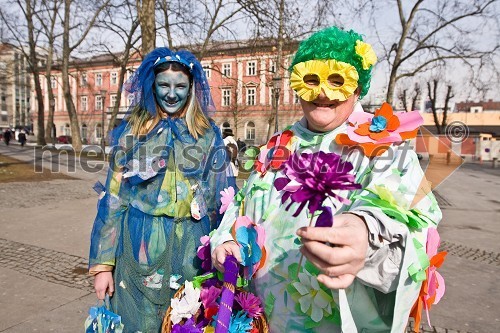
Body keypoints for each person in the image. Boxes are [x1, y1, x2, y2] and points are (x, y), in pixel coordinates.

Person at [210, 26, 442, 332]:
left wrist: (366, 238)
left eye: (337, 80)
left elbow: (416, 232)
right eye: (312, 79)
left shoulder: (384, 145)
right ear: (297, 84)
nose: (322, 92)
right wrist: (225, 239)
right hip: (263, 320)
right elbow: (241, 205)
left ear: (358, 89)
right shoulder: (279, 145)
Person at [88, 47, 230, 333]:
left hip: (192, 246)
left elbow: (221, 198)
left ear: (191, 89)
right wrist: (103, 265)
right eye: (164, 85)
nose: (171, 93)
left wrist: (226, 247)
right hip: (140, 245)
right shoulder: (132, 133)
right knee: (143, 322)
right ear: (152, 85)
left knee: (188, 318)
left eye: (180, 86)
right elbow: (113, 200)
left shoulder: (206, 133)